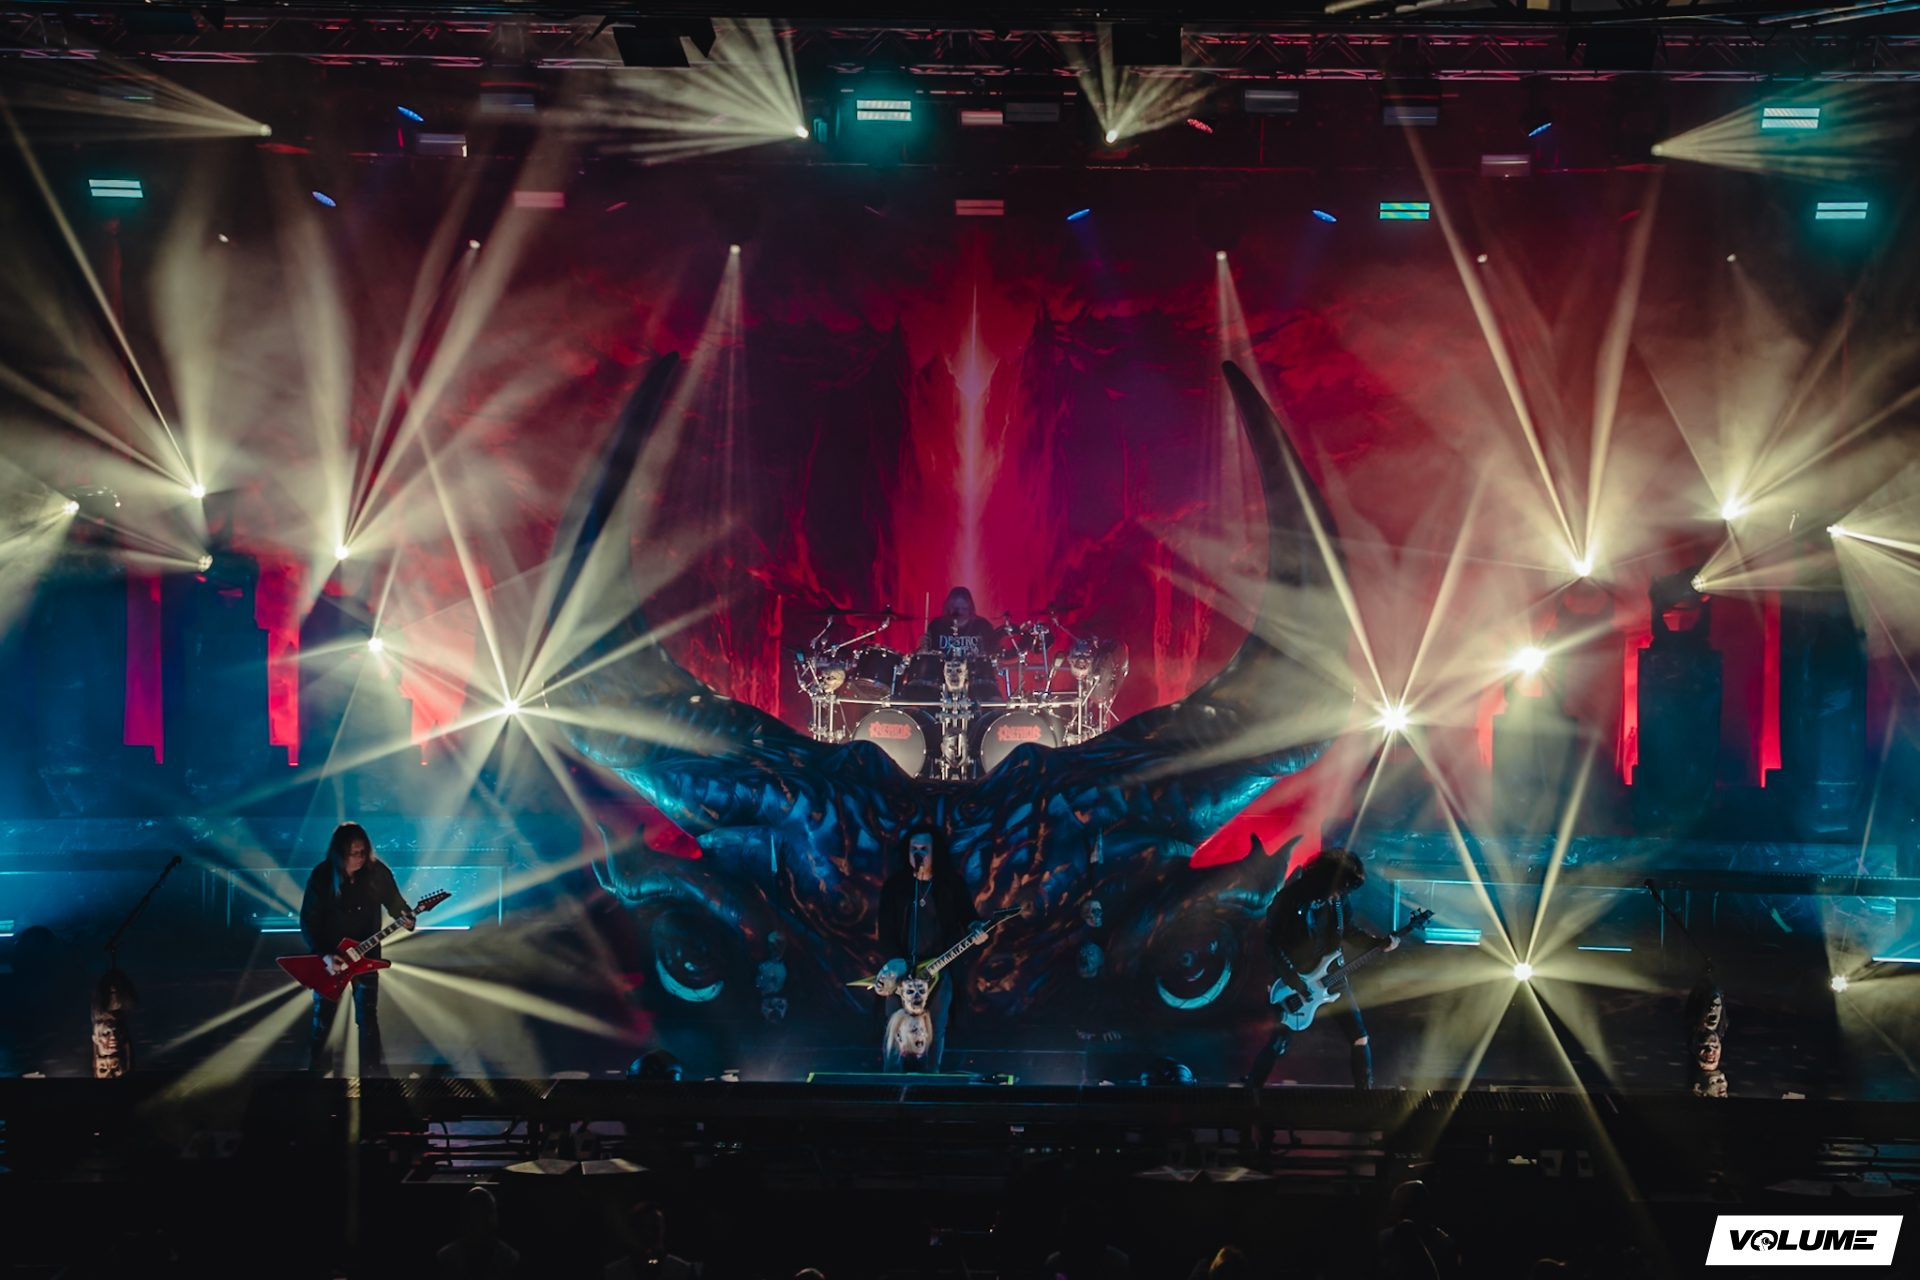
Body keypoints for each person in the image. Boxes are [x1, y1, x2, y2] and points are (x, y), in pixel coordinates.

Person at [1244, 846, 1395, 1089]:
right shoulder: (1290, 898)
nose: (1340, 895)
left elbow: (1349, 931)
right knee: (1279, 1042)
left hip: (1333, 976)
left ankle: (1365, 1098)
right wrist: (1292, 979)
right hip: (1296, 979)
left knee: (1359, 1037)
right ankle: (1251, 1091)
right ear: (1326, 879)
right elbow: (1273, 942)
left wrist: (1377, 943)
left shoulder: (1338, 902)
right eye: (1340, 888)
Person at [298, 821, 414, 1074]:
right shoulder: (322, 876)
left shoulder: (377, 872)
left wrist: (406, 916)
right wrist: (324, 954)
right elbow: (308, 921)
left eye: (363, 852)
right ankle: (318, 1076)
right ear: (340, 853)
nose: (360, 858)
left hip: (366, 957)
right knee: (323, 1019)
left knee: (368, 1017)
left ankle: (372, 1076)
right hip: (331, 961)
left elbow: (395, 903)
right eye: (354, 853)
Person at [875, 827, 982, 1072]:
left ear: (935, 852)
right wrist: (894, 962)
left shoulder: (950, 884)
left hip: (938, 969)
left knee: (936, 1027)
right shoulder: (896, 886)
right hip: (900, 970)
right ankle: (890, 1080)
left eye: (924, 849)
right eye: (914, 849)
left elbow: (969, 917)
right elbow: (885, 930)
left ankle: (932, 1078)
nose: (918, 853)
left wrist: (977, 929)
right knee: (894, 1025)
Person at [436, 1185, 519, 1280]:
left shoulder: (509, 1258)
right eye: (478, 1212)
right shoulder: (447, 1258)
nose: (486, 1219)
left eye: (489, 1212)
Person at [920, 586, 999, 660]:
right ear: (948, 607)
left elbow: (993, 653)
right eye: (956, 608)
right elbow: (928, 656)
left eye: (964, 608)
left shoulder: (982, 625)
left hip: (974, 669)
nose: (960, 612)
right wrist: (923, 647)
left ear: (970, 607)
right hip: (942, 669)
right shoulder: (936, 626)